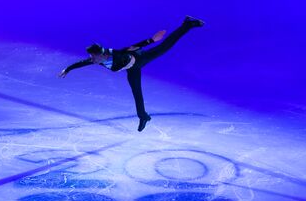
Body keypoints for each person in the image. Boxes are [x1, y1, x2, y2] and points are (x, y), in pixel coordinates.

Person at [59, 16, 204, 132]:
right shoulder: (98, 60)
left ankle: (188, 24)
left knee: (166, 46)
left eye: (93, 56)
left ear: (101, 54)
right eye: (91, 57)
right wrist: (68, 69)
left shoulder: (117, 53)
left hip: (141, 59)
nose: (91, 59)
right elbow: (82, 63)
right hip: (132, 69)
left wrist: (152, 40)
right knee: (137, 93)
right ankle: (143, 116)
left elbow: (134, 46)